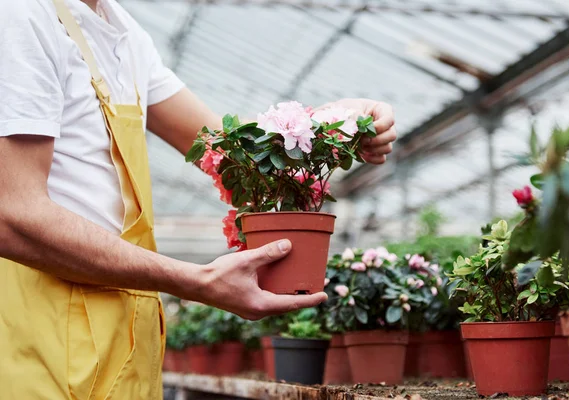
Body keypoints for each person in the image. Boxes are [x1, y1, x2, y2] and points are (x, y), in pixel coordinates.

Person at [0, 0, 397, 398]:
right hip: (44, 338)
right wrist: (197, 280)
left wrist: (335, 123)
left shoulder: (122, 30)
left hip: (125, 338)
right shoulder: (22, 14)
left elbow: (236, 156)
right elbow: (12, 213)